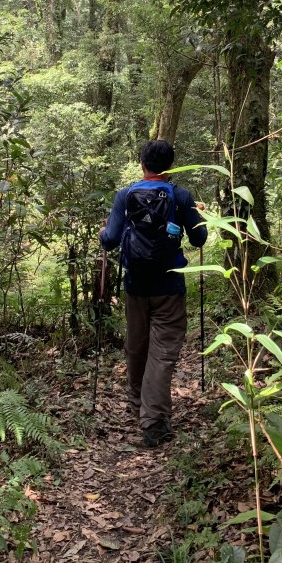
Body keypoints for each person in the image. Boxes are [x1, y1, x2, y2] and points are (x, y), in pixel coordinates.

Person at [100, 139, 207, 447]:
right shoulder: (182, 196)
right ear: (171, 166)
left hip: (135, 286)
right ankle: (154, 421)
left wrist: (102, 234)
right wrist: (200, 217)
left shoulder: (125, 195)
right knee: (162, 354)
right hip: (170, 286)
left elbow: (110, 241)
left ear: (141, 163)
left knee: (137, 346)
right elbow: (199, 238)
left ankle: (137, 405)